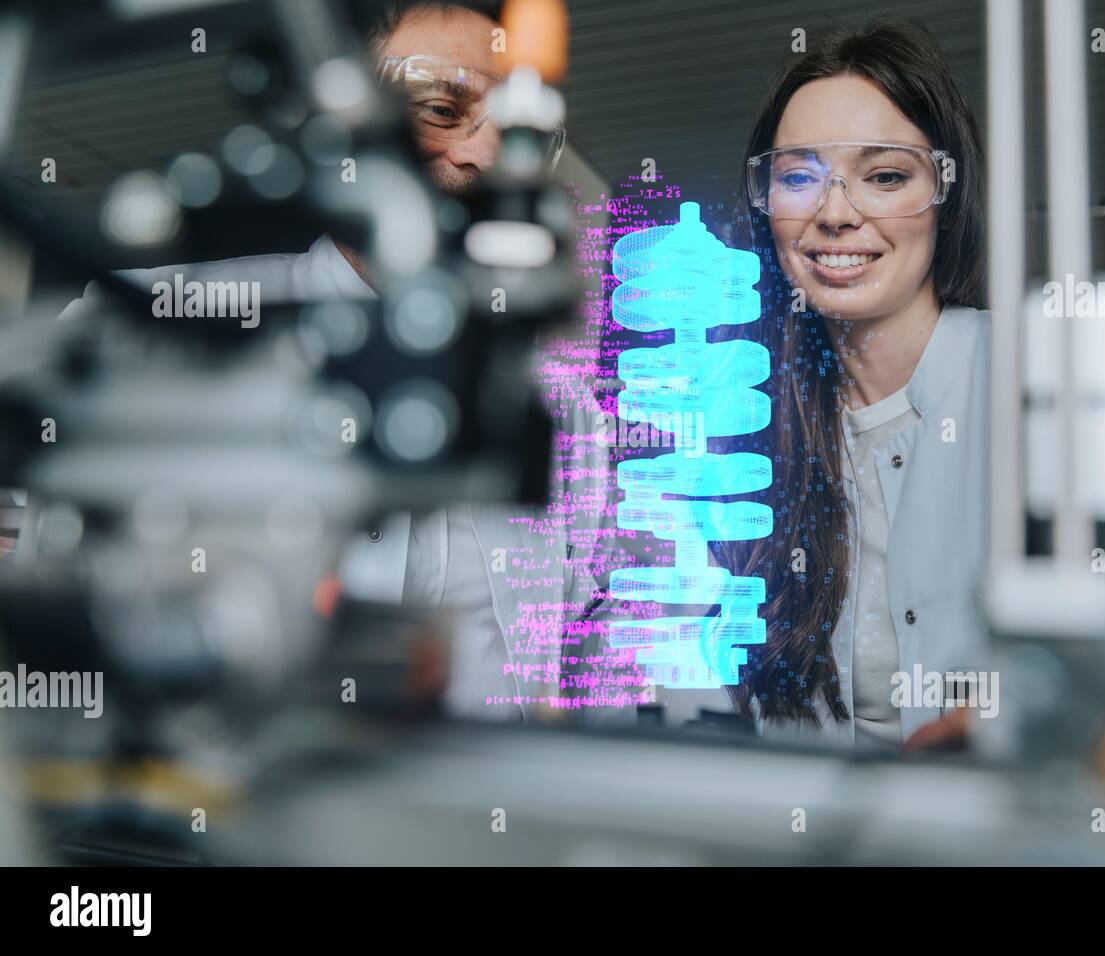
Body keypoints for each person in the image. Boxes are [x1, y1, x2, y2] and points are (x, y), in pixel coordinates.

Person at [58, 1, 599, 723]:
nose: (484, 155)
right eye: (442, 107)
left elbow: (584, 641)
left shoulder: (565, 410)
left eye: (517, 132)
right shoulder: (167, 324)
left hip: (484, 821)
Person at [587, 19, 991, 749]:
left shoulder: (1028, 394)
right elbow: (655, 688)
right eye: (799, 177)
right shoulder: (736, 430)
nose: (836, 213)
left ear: (947, 194)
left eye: (886, 176)